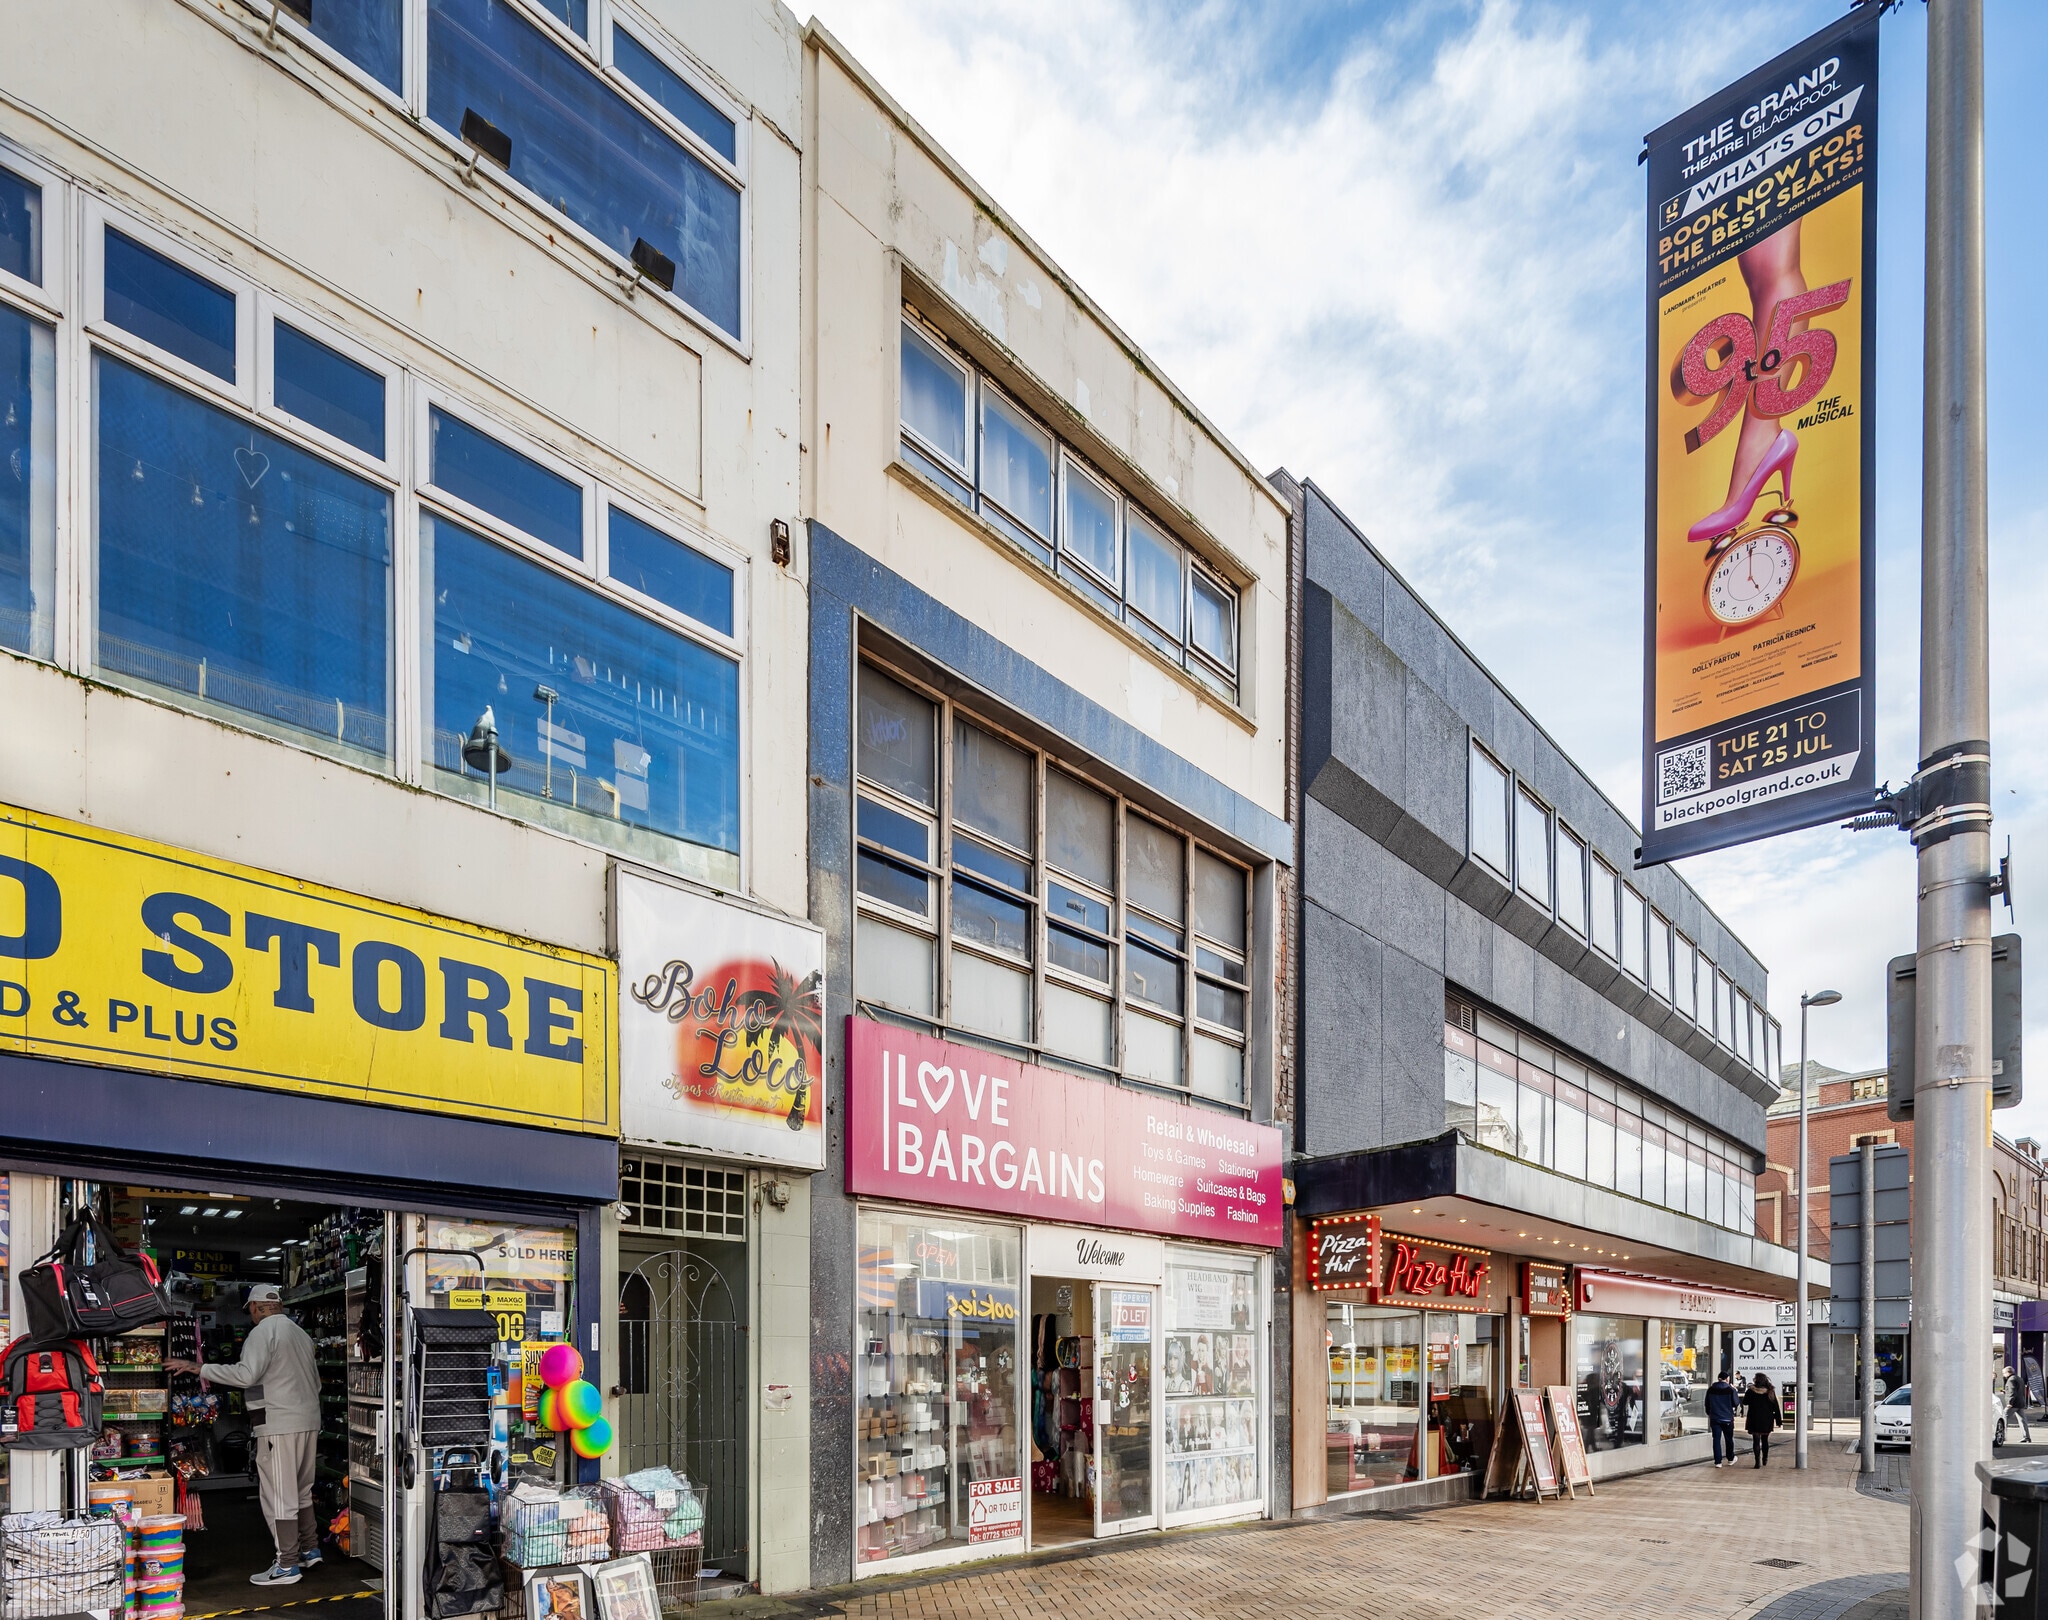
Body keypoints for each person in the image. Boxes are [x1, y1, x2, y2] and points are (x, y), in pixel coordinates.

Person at [166, 1284, 322, 1585]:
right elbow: (314, 1382)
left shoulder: (263, 1333)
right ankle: (310, 1549)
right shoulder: (300, 1334)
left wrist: (198, 1368)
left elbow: (245, 1375)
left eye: (250, 1309)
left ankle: (287, 1564)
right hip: (307, 1420)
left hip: (279, 1422)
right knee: (302, 1490)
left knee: (279, 1495)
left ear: (255, 1307)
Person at [1743, 1373, 1783, 1469]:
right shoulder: (1770, 1391)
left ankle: (1757, 1461)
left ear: (1756, 1380)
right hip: (1767, 1419)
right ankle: (1765, 1458)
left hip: (1754, 1418)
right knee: (1765, 1440)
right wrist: (1778, 1420)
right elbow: (1776, 1407)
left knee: (1756, 1441)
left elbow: (1745, 1402)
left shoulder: (1751, 1391)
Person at [1705, 1369, 1739, 1468]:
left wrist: (1710, 1414)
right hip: (1727, 1418)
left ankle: (1718, 1462)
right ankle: (1730, 1458)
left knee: (1716, 1440)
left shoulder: (1711, 1389)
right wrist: (1734, 1390)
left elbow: (1707, 1404)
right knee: (1729, 1439)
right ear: (1727, 1379)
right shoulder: (1730, 1389)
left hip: (1715, 1418)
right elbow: (1736, 1403)